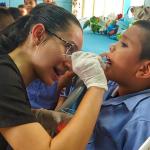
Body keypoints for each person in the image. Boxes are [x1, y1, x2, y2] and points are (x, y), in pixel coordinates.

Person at [0, 3, 107, 150]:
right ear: (38, 34)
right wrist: (97, 85)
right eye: (69, 48)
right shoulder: (4, 76)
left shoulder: (10, 73)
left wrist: (40, 117)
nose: (71, 65)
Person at [86, 20, 150, 150]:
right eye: (118, 40)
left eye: (124, 44)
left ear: (144, 70)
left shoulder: (142, 123)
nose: (112, 46)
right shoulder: (112, 84)